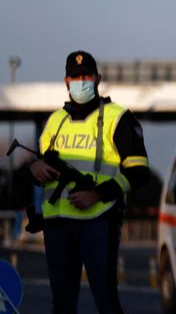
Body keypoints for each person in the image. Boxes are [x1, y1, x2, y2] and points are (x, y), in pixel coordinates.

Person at [28, 51, 149, 314]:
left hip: (99, 221)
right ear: (66, 81)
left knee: (105, 300)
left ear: (97, 79)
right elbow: (37, 169)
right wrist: (34, 168)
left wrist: (98, 194)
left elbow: (139, 173)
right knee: (62, 305)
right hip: (57, 226)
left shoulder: (119, 118)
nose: (81, 81)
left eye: (86, 76)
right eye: (75, 77)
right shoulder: (54, 122)